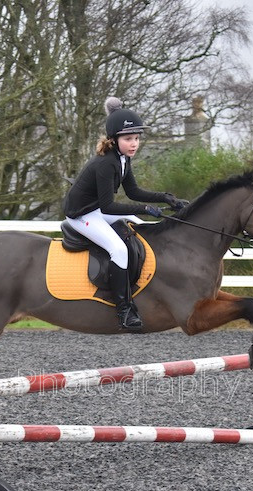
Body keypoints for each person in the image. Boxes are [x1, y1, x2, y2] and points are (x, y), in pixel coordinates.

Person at [63, 97, 185, 331]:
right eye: (128, 139)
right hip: (81, 215)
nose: (134, 144)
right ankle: (124, 310)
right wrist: (144, 209)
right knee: (117, 248)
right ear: (114, 139)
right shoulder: (106, 164)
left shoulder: (122, 160)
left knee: (139, 225)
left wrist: (166, 197)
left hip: (95, 210)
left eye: (137, 138)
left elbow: (134, 192)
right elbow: (109, 206)